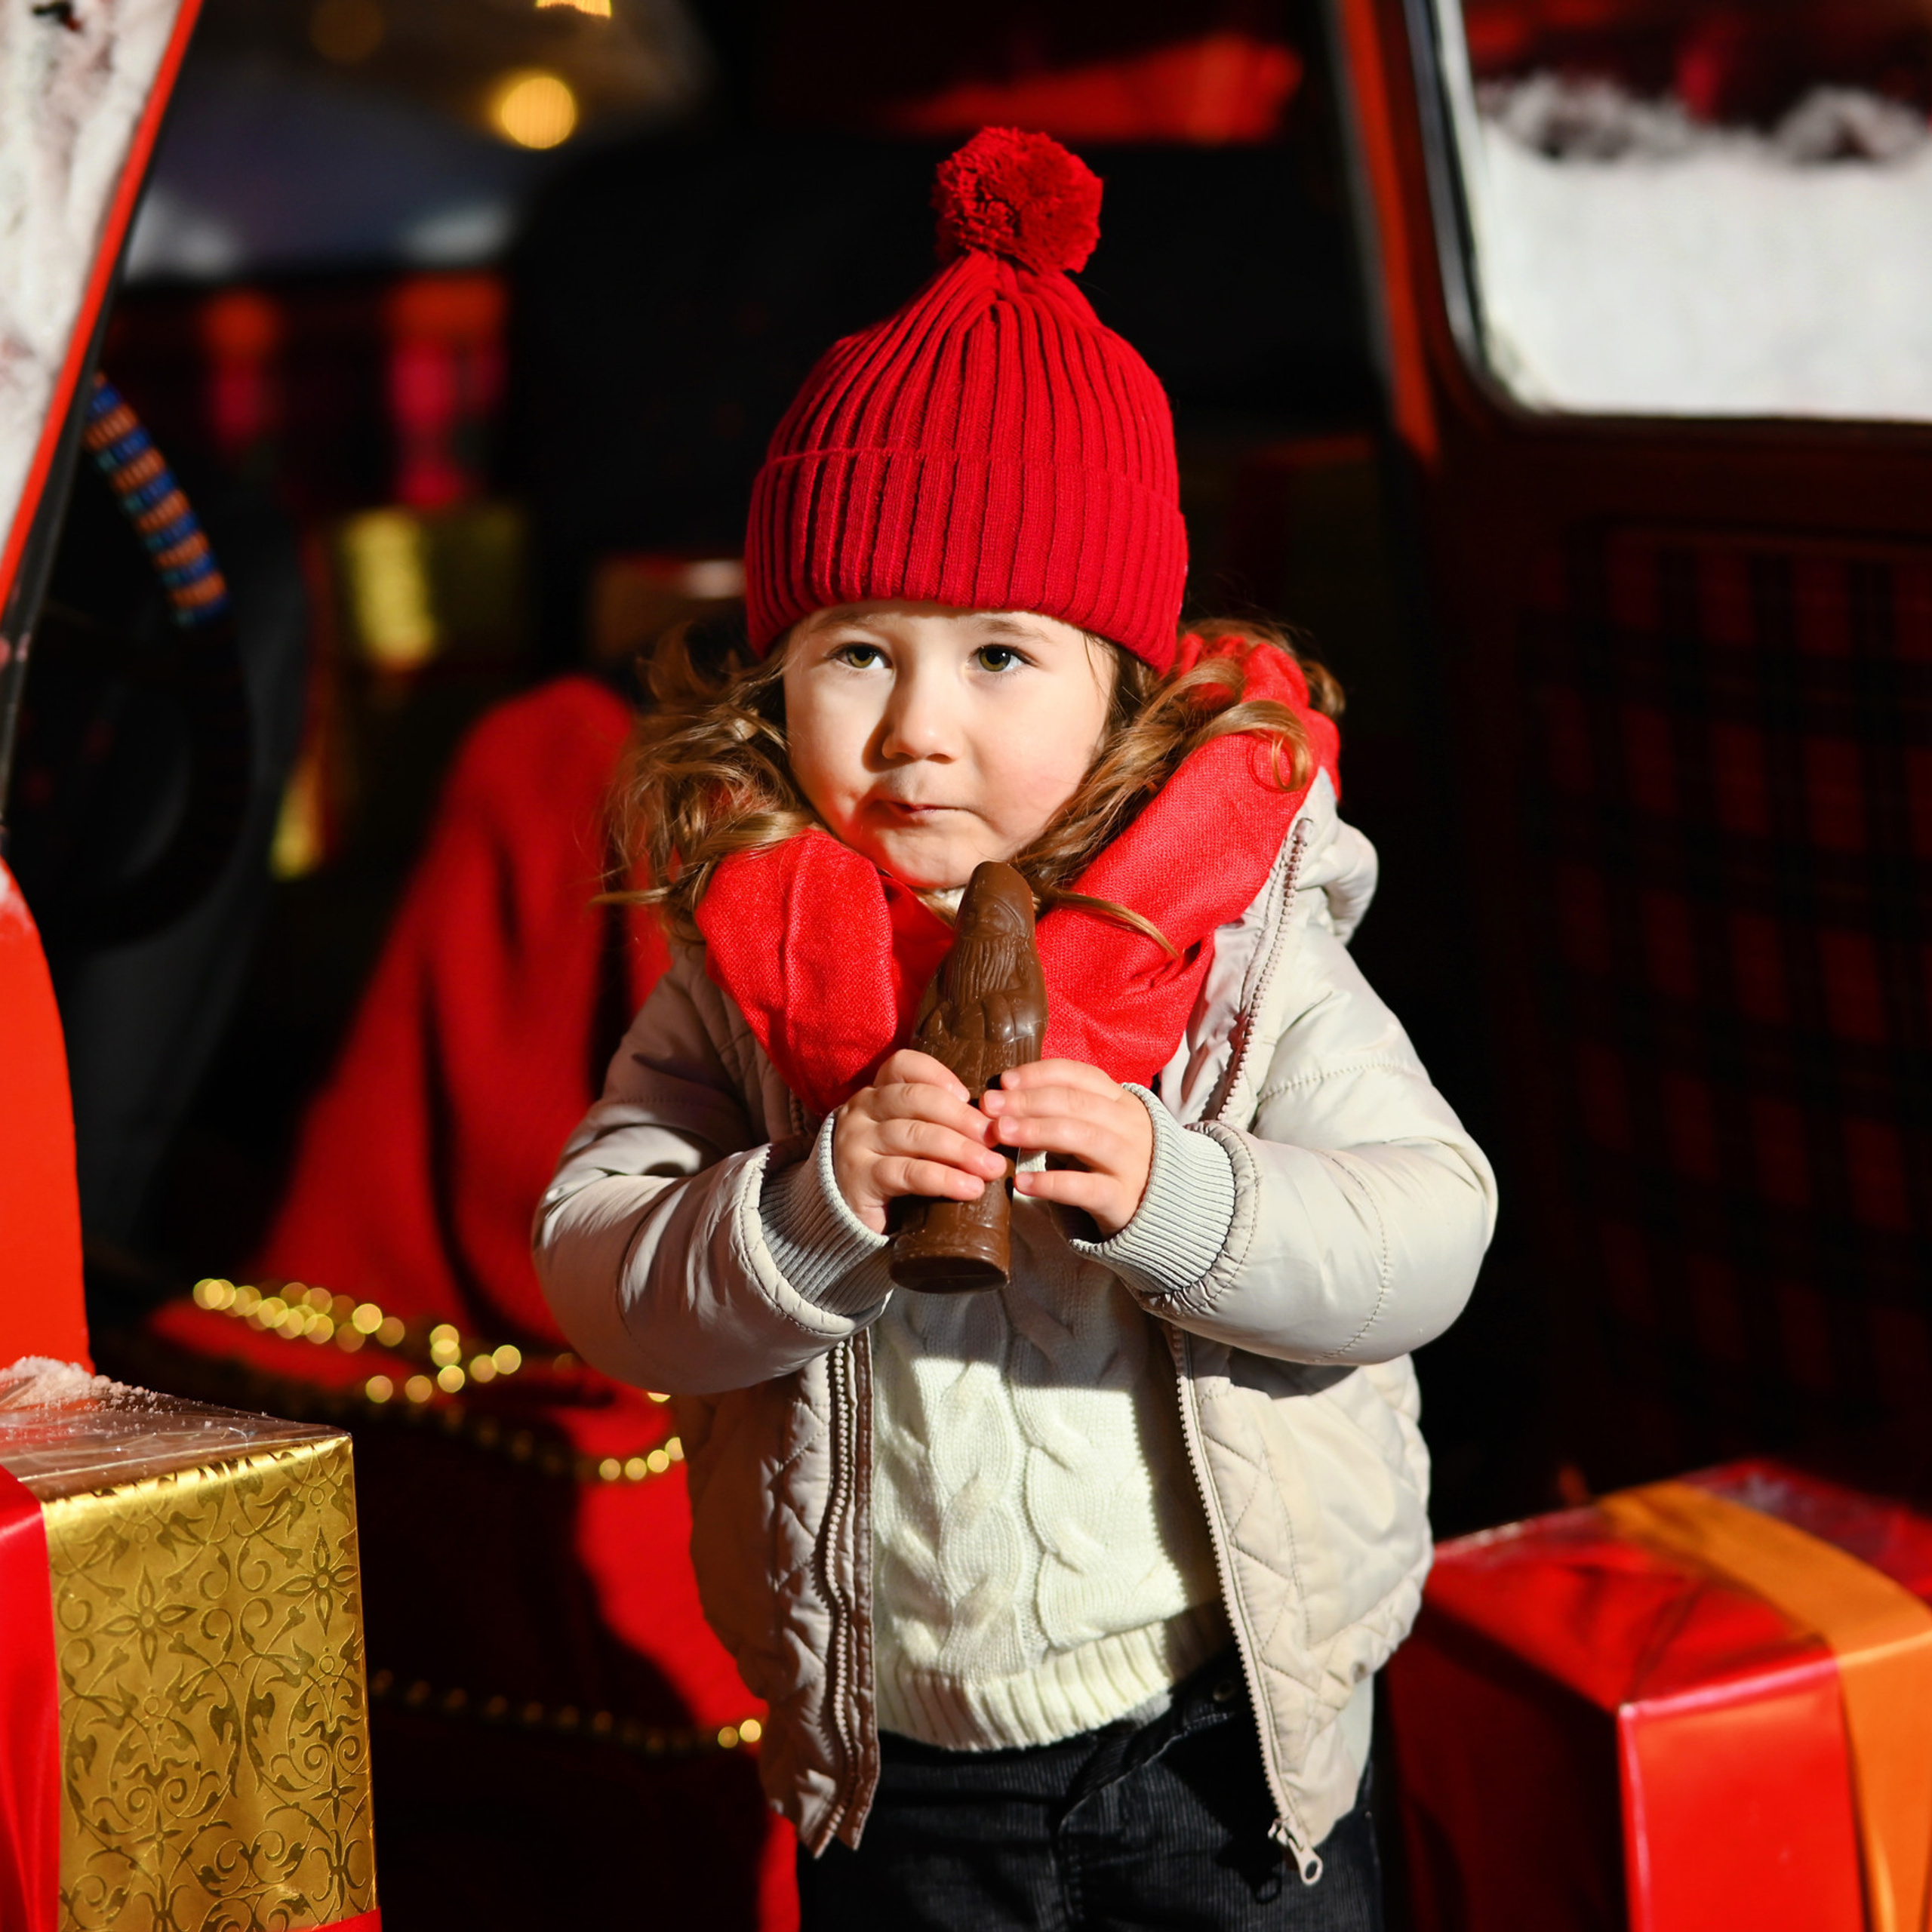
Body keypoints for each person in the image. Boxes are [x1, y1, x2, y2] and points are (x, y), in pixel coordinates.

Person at [534, 127, 1496, 1930]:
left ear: (1118, 680)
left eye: (997, 654)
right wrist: (806, 1201)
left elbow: (1428, 1230)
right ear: (773, 666)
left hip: (1216, 1745)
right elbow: (595, 1265)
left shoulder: (1230, 936)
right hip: (902, 1767)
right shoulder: (742, 953)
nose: (914, 727)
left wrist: (1175, 1188)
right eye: (852, 650)